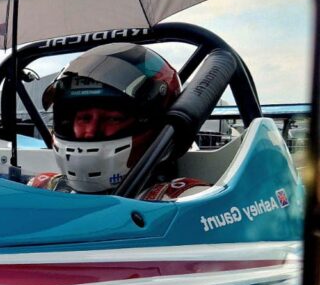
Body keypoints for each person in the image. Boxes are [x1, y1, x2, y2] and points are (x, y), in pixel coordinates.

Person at [28, 42, 207, 200]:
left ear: (154, 126)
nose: (91, 131)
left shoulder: (187, 199)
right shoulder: (43, 188)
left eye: (113, 118)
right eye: (83, 118)